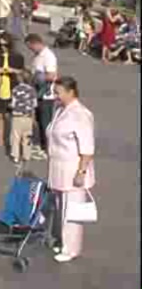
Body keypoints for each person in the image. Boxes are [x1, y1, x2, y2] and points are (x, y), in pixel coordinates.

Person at [47, 77, 95, 263]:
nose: (55, 96)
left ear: (70, 92)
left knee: (72, 210)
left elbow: (87, 148)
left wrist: (81, 172)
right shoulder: (60, 110)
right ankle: (64, 241)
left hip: (73, 169)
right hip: (59, 167)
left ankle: (71, 249)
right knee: (61, 208)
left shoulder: (80, 114)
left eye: (58, 92)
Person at [25, 33, 58, 160]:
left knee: (46, 122)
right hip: (38, 93)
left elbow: (52, 75)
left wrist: (37, 77)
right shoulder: (38, 55)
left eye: (30, 47)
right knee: (39, 120)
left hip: (46, 94)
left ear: (35, 43)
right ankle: (43, 145)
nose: (30, 50)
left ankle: (48, 148)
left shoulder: (48, 56)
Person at [0, 32, 25, 151]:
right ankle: (0, 139)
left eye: (5, 45)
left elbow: (23, 72)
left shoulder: (18, 57)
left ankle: (13, 139)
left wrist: (12, 70)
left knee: (14, 115)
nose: (2, 48)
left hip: (13, 87)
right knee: (0, 115)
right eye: (0, 45)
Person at [9, 70, 37, 164]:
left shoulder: (15, 89)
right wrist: (33, 118)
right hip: (28, 117)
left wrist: (10, 106)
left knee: (16, 137)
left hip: (17, 116)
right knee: (27, 137)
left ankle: (15, 156)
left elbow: (13, 104)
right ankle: (26, 155)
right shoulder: (32, 90)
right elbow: (34, 105)